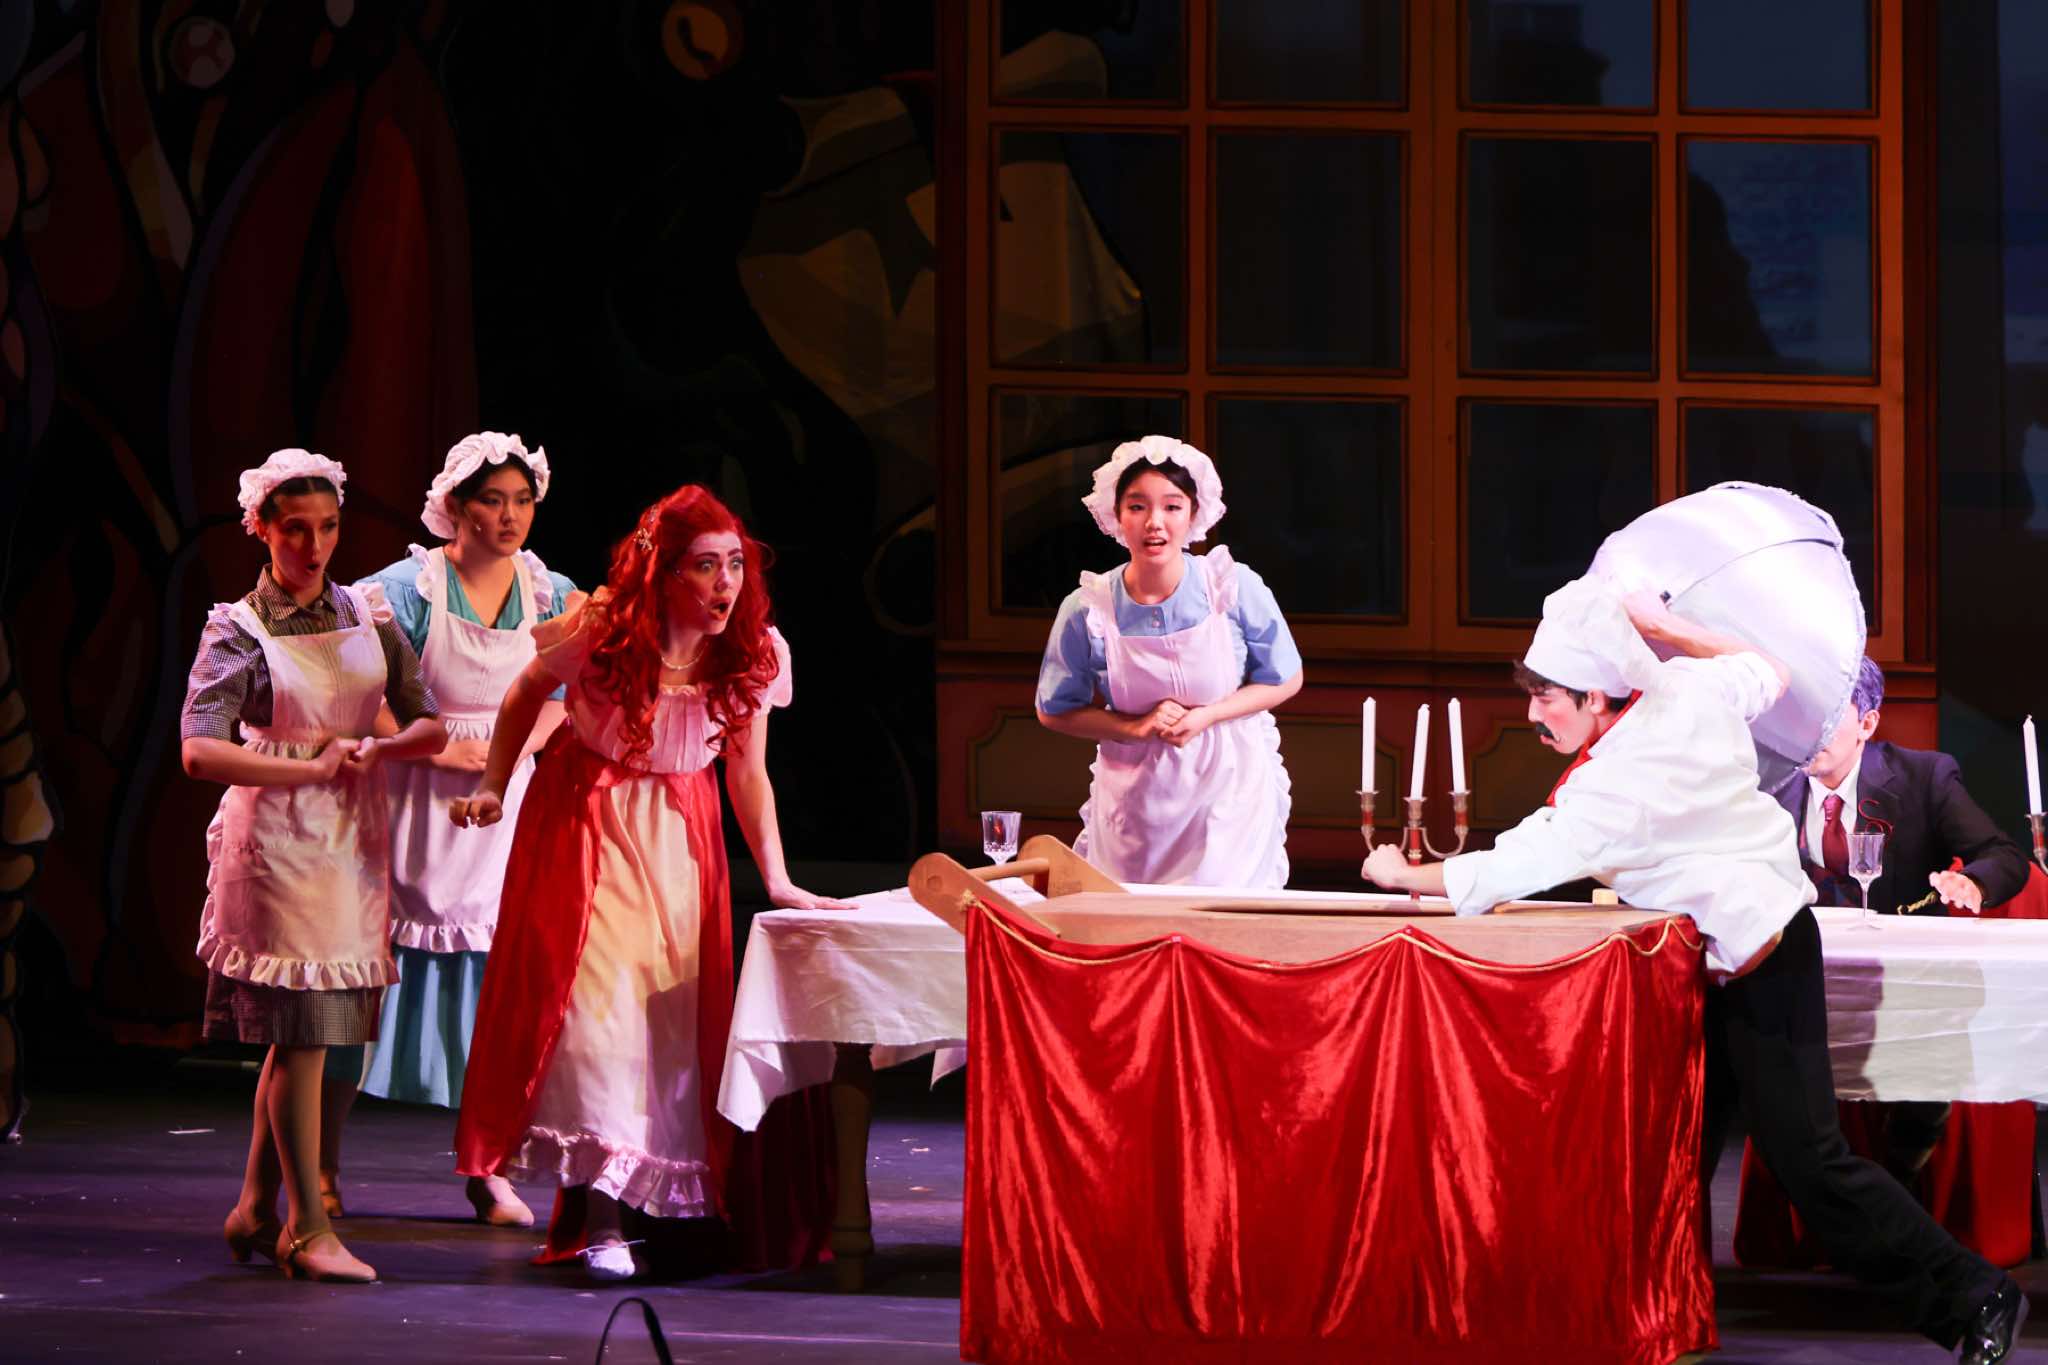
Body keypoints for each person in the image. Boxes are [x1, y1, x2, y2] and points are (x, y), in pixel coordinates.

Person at [1361, 579, 2026, 1364]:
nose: (1533, 716)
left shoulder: (1617, 783)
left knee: (1812, 1165)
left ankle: (1977, 1295)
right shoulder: (1685, 690)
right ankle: (1650, 1318)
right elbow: (1767, 668)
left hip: (1764, 960)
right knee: (1670, 1156)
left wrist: (1399, 872)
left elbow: (1512, 864)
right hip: (1720, 969)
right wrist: (1667, 626)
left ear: (1597, 695)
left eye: (1547, 698)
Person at [449, 483, 848, 1281]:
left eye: (734, 564)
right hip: (585, 821)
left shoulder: (752, 651)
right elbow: (525, 691)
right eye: (704, 566)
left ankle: (641, 1201)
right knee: (596, 1012)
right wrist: (495, 781)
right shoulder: (602, 631)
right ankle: (602, 1220)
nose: (725, 583)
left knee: (659, 1023)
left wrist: (777, 876)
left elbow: (748, 772)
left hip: (680, 839)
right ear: (664, 574)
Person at [180, 448, 447, 1283]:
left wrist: (381, 747)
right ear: (260, 528)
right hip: (277, 844)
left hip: (350, 843)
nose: (315, 545)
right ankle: (307, 1226)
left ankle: (255, 1208)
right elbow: (199, 750)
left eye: (328, 527)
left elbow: (428, 721)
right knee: (302, 1038)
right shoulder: (238, 628)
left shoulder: (367, 613)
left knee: (310, 1040)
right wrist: (308, 768)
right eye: (296, 529)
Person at [319, 433, 578, 1228]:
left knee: (496, 998)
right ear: (457, 508)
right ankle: (321, 1165)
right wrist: (432, 744)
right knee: (362, 995)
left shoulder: (551, 593)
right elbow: (356, 687)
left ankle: (488, 1168)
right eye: (492, 501)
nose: (510, 516)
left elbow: (565, 694)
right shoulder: (407, 589)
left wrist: (512, 749)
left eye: (522, 501)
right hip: (410, 802)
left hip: (503, 809)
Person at [1788, 655, 2029, 1176]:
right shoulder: (1770, 783)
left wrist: (1973, 882)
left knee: (1926, 1074)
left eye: (1828, 714)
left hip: (1902, 986)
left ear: (1868, 723)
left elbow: (2004, 855)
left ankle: (1894, 1188)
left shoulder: (1923, 776)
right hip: (1798, 981)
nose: (1808, 730)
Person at [1034, 435, 1302, 887]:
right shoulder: (1089, 607)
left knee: (1222, 912)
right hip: (1136, 799)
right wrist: (1135, 728)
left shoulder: (1230, 586)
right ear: (1116, 514)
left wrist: (1207, 716)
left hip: (1229, 790)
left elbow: (1285, 678)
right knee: (1133, 915)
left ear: (1194, 514)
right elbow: (1054, 710)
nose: (1154, 522)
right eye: (1137, 506)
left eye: (1172, 506)